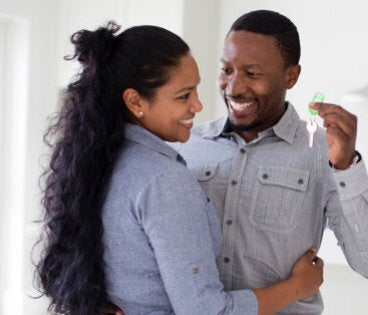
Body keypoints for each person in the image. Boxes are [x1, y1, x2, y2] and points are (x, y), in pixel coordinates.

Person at [35, 21, 323, 315]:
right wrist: (298, 287)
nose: (198, 106)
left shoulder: (99, 162)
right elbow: (208, 311)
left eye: (196, 89)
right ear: (135, 101)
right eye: (183, 96)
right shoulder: (164, 179)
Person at [174, 10, 368, 314]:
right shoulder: (188, 145)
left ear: (291, 76)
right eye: (227, 69)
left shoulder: (323, 151)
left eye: (252, 73)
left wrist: (346, 166)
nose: (234, 87)